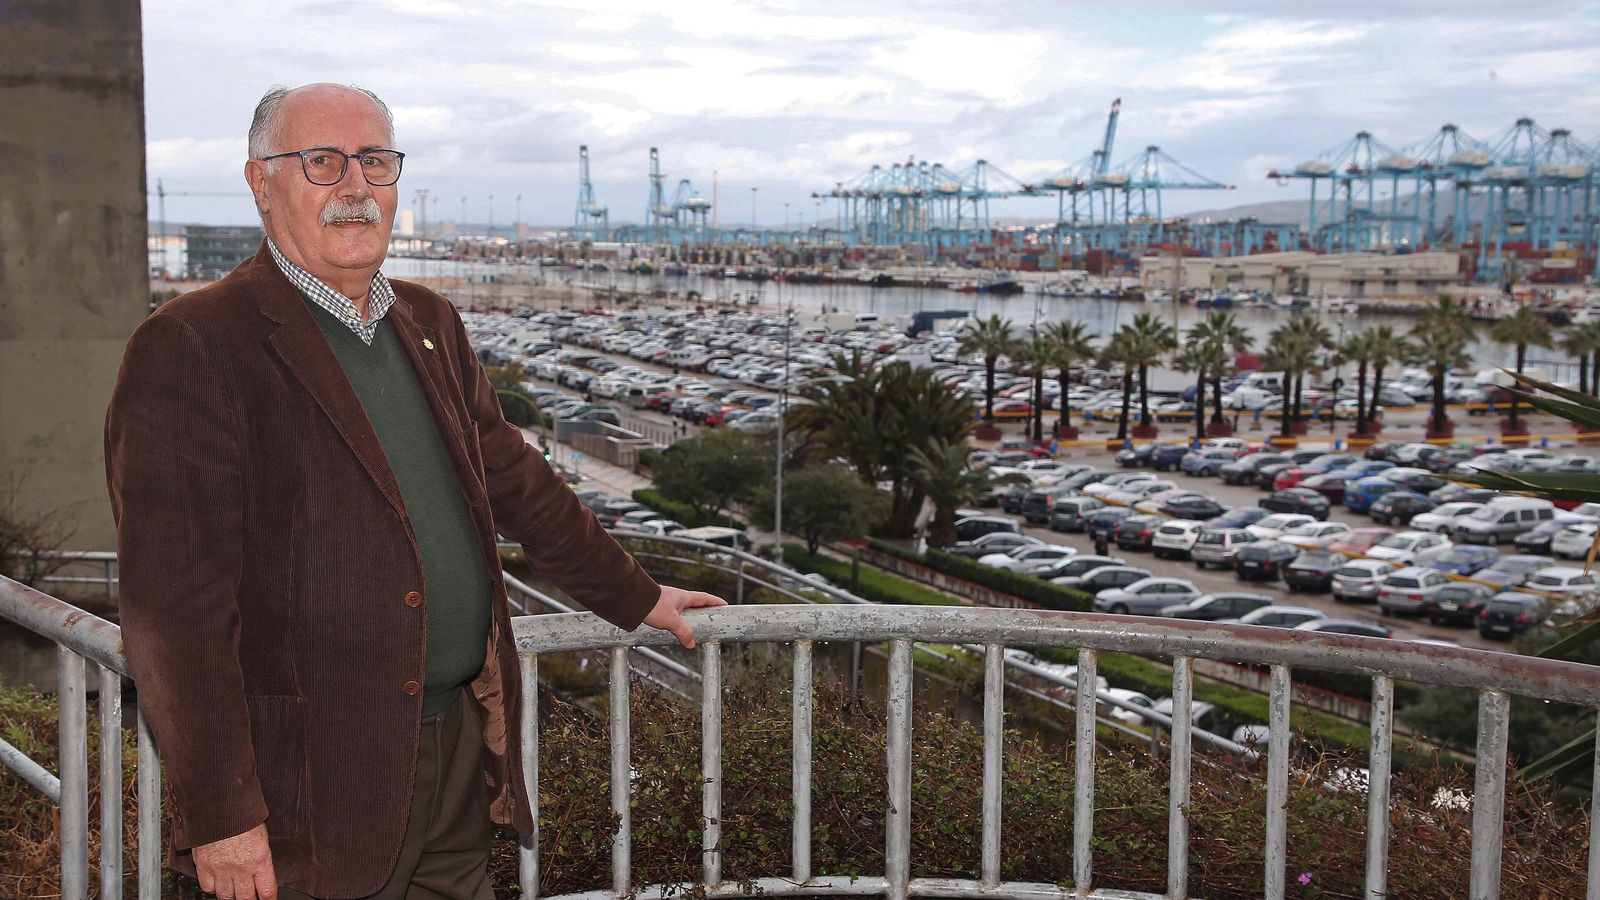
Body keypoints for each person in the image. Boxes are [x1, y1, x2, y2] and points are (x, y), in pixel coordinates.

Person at [105, 82, 725, 900]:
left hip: (457, 747)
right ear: (261, 183)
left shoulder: (429, 322)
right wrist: (222, 816)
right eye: (321, 162)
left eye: (375, 160)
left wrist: (637, 596)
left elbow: (513, 478)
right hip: (310, 781)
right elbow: (174, 615)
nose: (355, 187)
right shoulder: (192, 347)